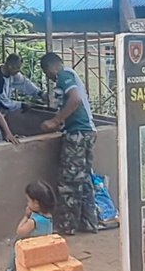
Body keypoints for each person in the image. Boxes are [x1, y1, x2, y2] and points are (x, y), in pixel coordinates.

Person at [39, 52, 100, 235]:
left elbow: (75, 99)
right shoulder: (71, 75)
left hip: (77, 134)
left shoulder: (63, 75)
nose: (49, 78)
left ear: (50, 67)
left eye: (46, 73)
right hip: (87, 132)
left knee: (69, 181)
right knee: (84, 179)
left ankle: (67, 226)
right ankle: (88, 222)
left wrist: (55, 121)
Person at [0, 54, 43, 143]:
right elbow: (4, 102)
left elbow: (24, 83)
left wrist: (39, 93)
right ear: (10, 66)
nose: (18, 70)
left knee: (3, 138)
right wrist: (22, 105)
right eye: (17, 68)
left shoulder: (12, 73)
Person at [6, 180, 57, 271]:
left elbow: (20, 231)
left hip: (32, 251)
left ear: (36, 203)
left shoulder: (34, 221)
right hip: (44, 250)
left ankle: (12, 270)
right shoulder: (49, 216)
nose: (27, 203)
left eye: (28, 201)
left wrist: (26, 216)